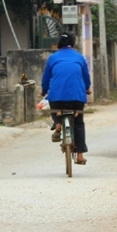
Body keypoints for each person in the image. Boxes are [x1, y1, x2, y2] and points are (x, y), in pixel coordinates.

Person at [41, 32, 90, 165]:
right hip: (77, 97)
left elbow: (46, 78)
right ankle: (80, 155)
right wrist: (87, 88)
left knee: (55, 107)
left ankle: (57, 123)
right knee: (79, 123)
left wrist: (44, 90)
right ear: (73, 44)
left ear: (59, 44)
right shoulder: (80, 57)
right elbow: (86, 77)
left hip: (57, 96)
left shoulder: (53, 58)